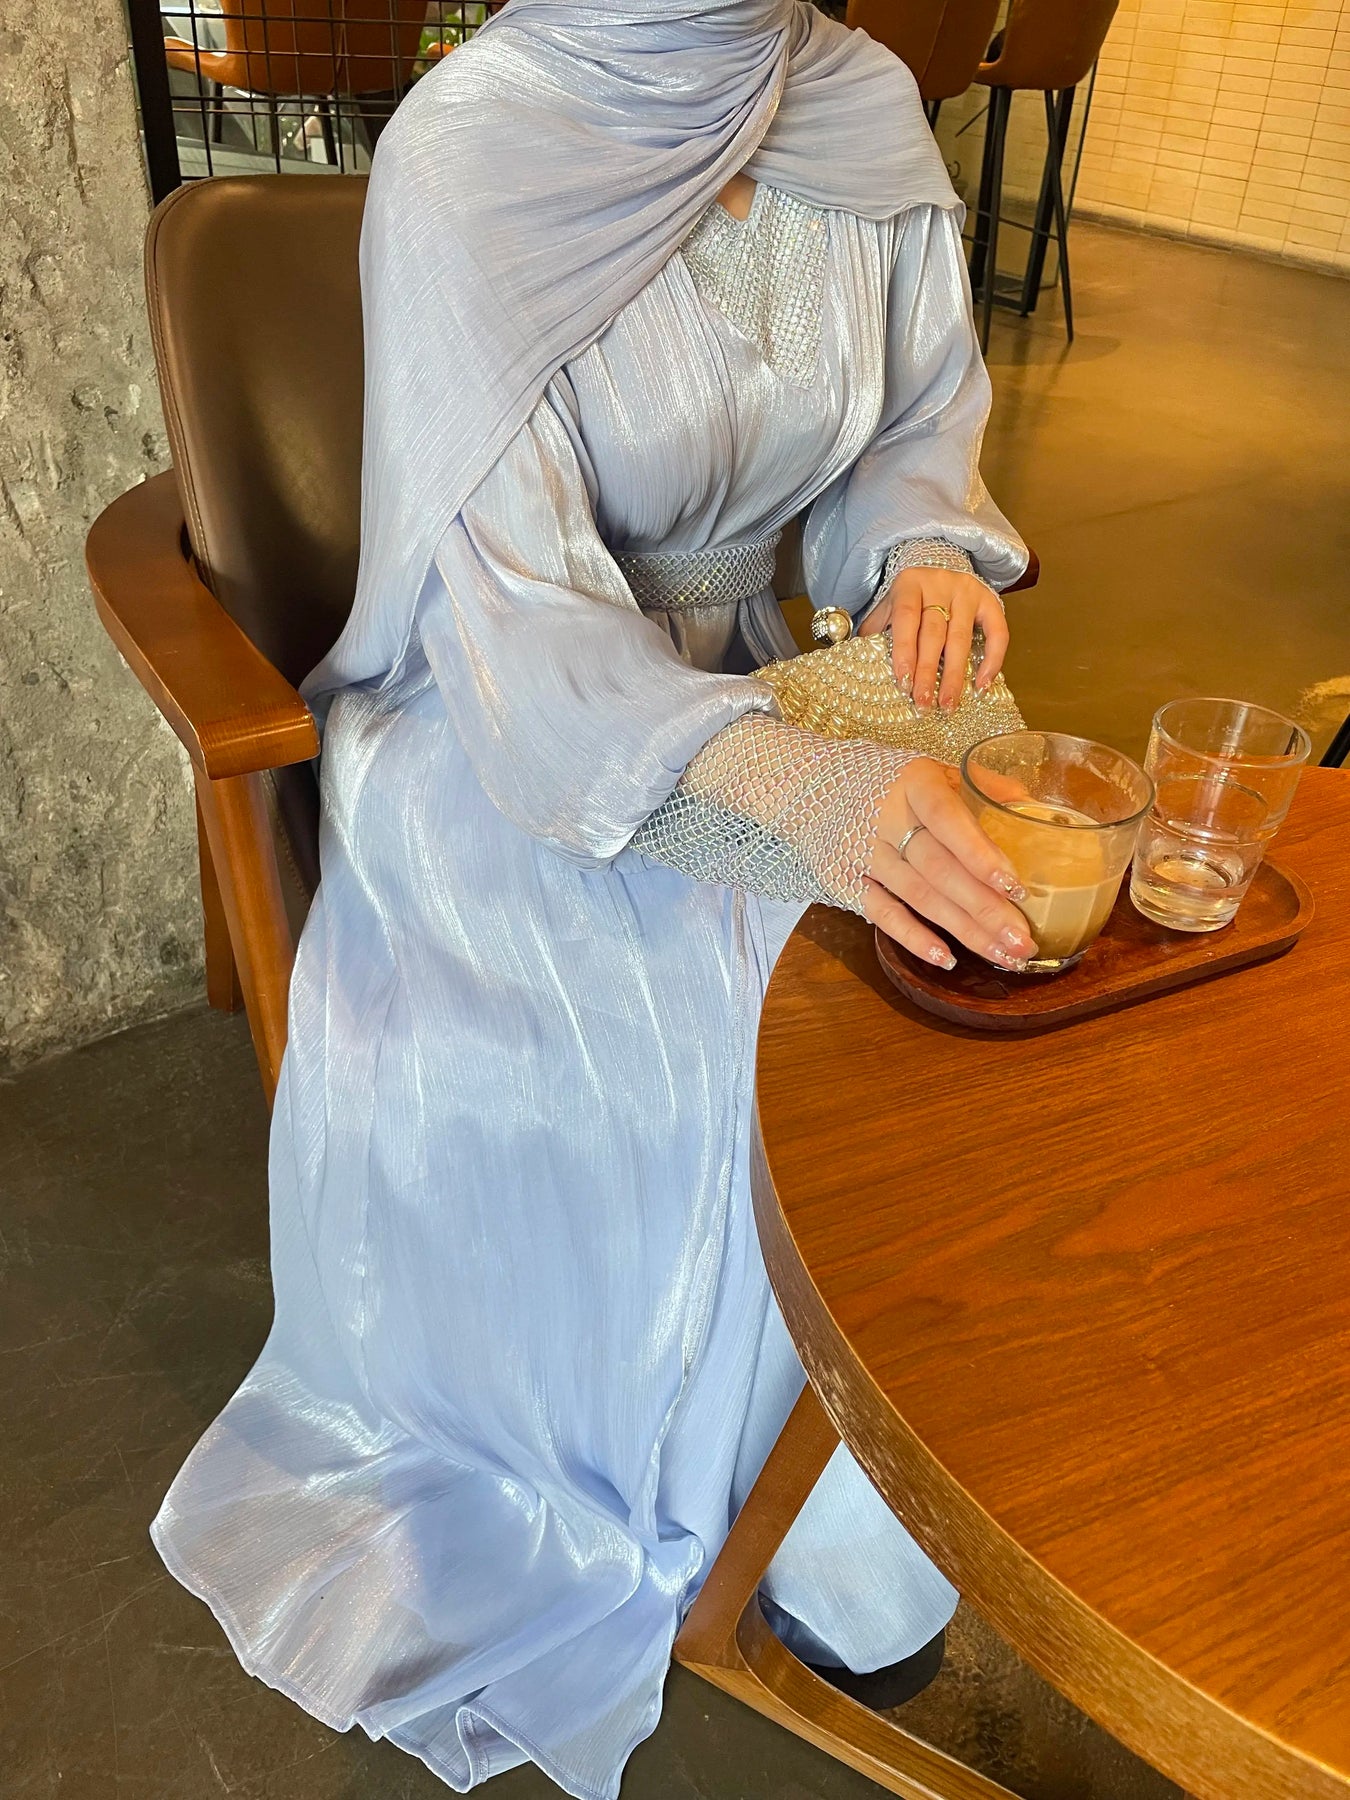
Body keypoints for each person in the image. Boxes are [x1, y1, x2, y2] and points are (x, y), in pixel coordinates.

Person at [151, 0, 1034, 1793]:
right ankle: (765, 1523)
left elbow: (907, 423)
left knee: (988, 916)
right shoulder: (472, 150)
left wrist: (925, 552)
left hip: (767, 662)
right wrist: (802, 796)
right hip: (510, 719)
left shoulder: (853, 99)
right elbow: (515, 615)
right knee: (753, 975)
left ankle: (906, 1470)